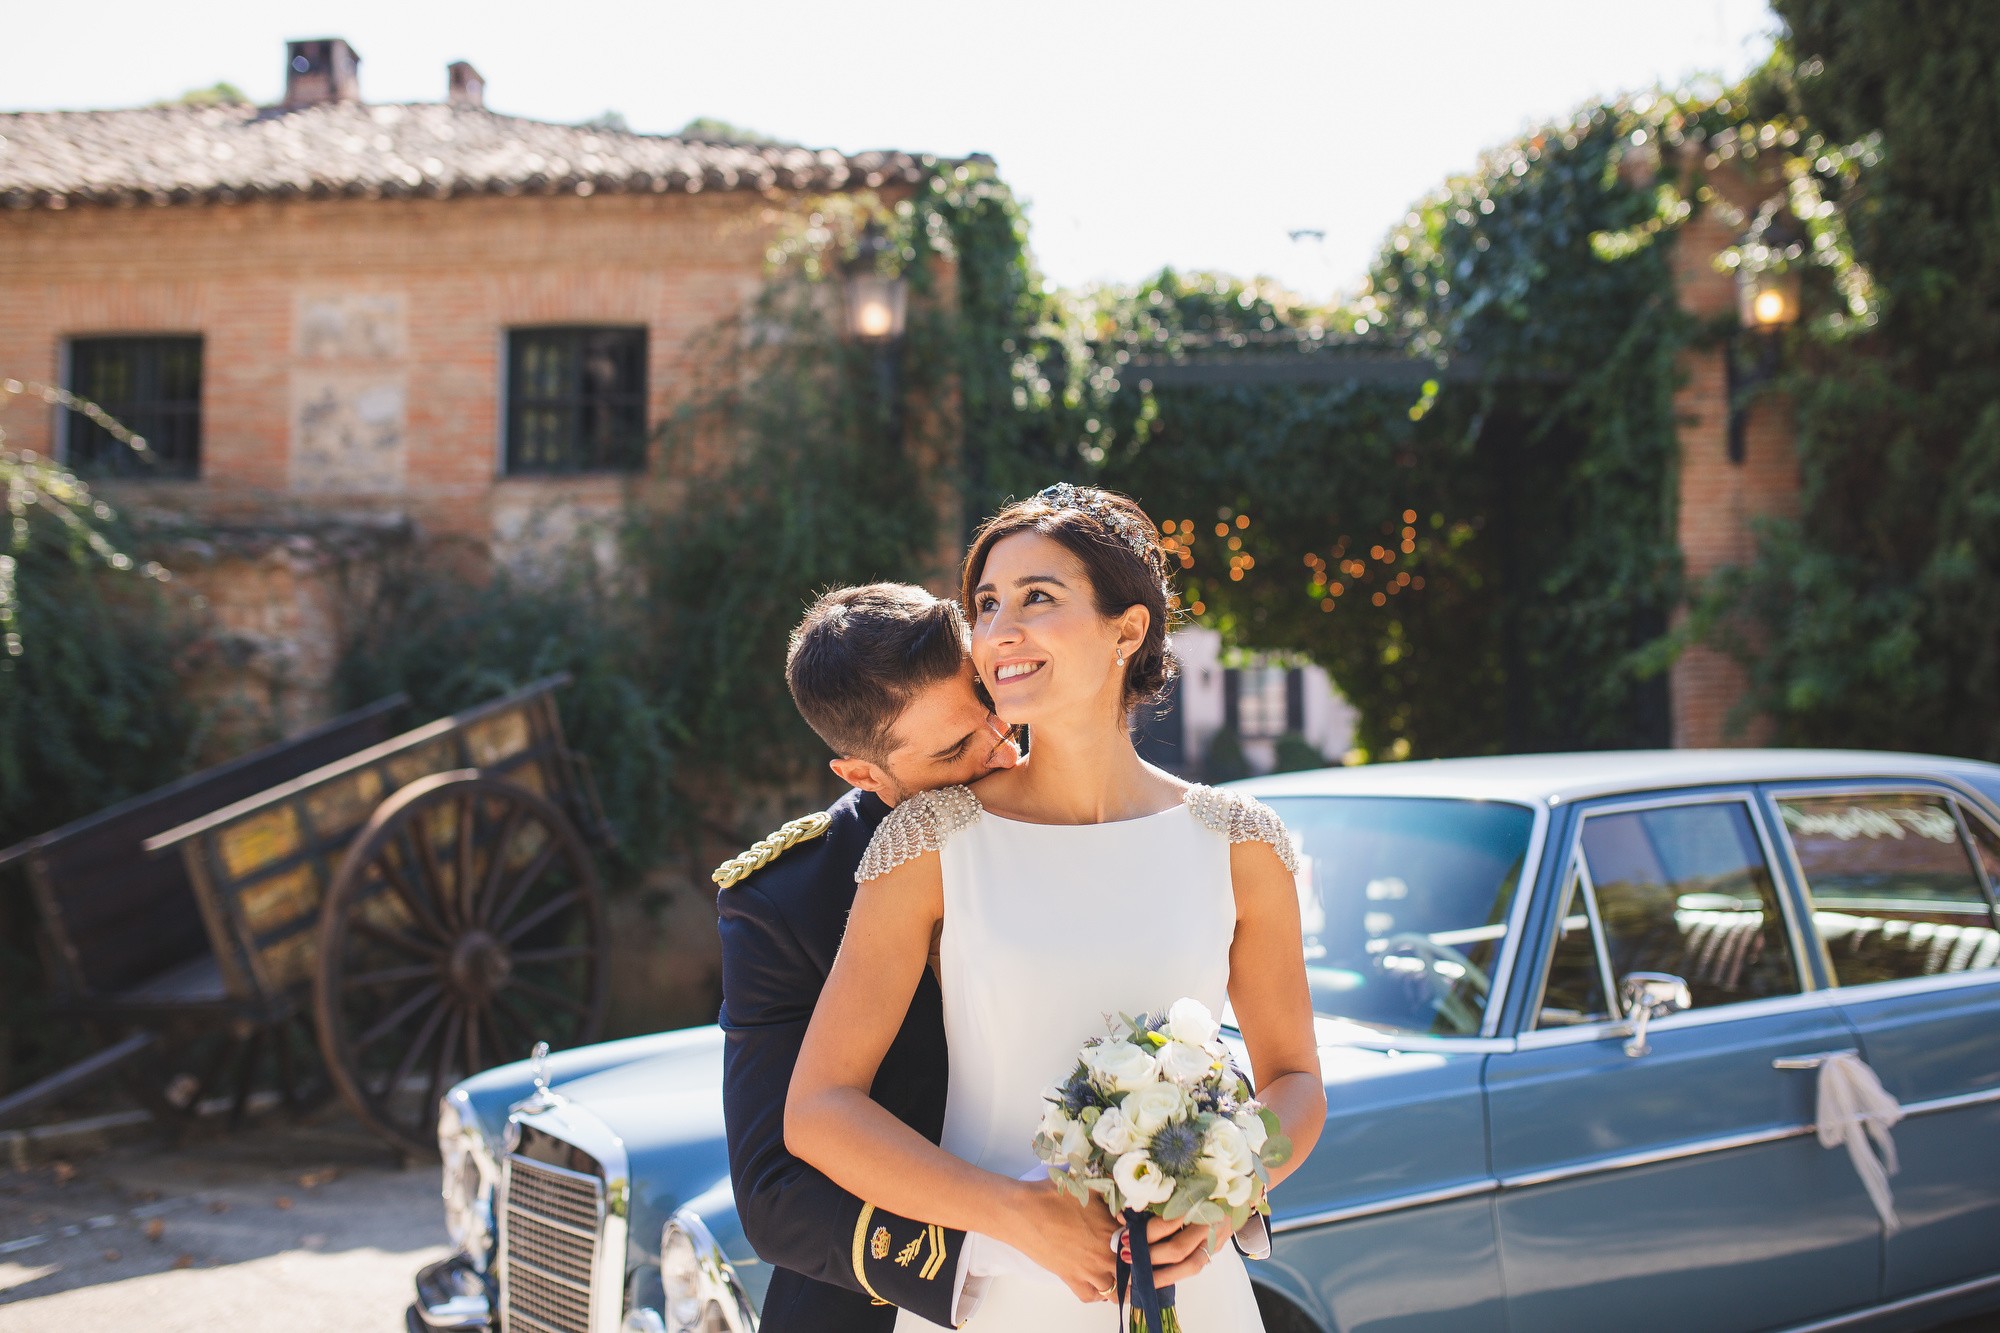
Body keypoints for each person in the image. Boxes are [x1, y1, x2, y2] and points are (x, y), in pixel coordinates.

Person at [786, 486, 1325, 1330]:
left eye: (1039, 596)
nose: (1001, 628)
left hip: (1195, 1289)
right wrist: (1011, 1211)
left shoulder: (1240, 842)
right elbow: (817, 1111)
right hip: (1001, 1290)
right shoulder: (932, 841)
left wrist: (1226, 1191)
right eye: (987, 603)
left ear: (1128, 628)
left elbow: (1295, 1081)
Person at [716, 582, 1119, 1333]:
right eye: (953, 751)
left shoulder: (1087, 822)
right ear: (862, 775)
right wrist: (999, 1235)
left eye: (992, 713)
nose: (1000, 749)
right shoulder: (785, 901)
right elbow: (774, 1194)